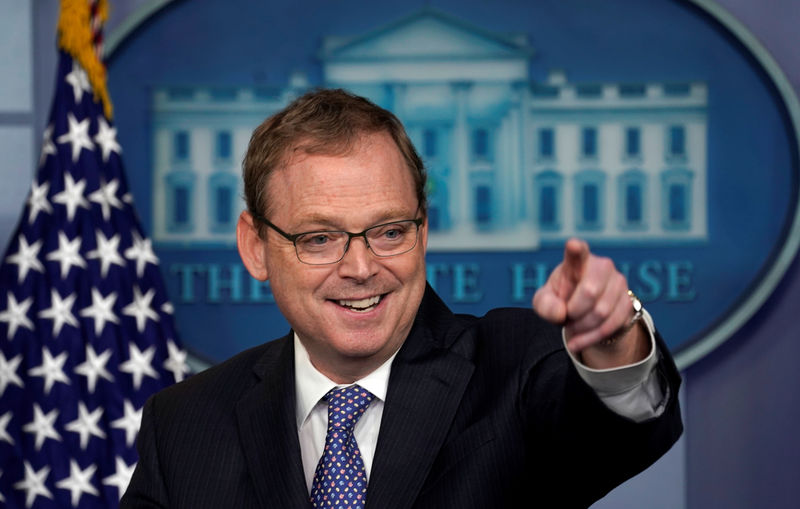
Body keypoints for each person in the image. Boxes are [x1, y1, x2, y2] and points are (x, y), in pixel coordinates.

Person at [121, 89, 682, 509]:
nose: (362, 268)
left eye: (389, 231)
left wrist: (612, 343)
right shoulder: (185, 424)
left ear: (424, 228)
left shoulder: (515, 368)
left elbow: (614, 431)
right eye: (319, 238)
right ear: (256, 246)